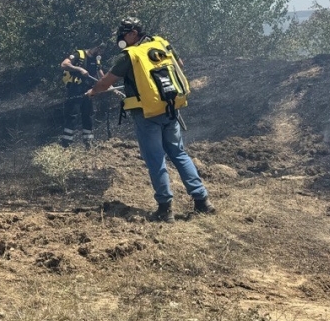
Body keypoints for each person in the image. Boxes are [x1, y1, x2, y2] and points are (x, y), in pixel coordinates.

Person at [84, 17, 215, 222]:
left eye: (123, 35)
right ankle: (202, 201)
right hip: (170, 108)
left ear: (133, 34)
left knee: (155, 158)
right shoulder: (161, 43)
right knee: (179, 153)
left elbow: (106, 82)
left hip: (147, 114)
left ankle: (165, 209)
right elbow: (179, 64)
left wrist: (93, 91)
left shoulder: (130, 55)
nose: (121, 39)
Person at [60, 44, 104, 148]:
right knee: (72, 115)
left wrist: (111, 88)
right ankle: (66, 143)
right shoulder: (79, 54)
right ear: (94, 46)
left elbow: (102, 77)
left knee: (88, 115)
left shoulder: (97, 60)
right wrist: (79, 69)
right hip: (75, 89)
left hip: (89, 90)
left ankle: (88, 143)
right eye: (100, 49)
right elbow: (64, 64)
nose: (101, 52)